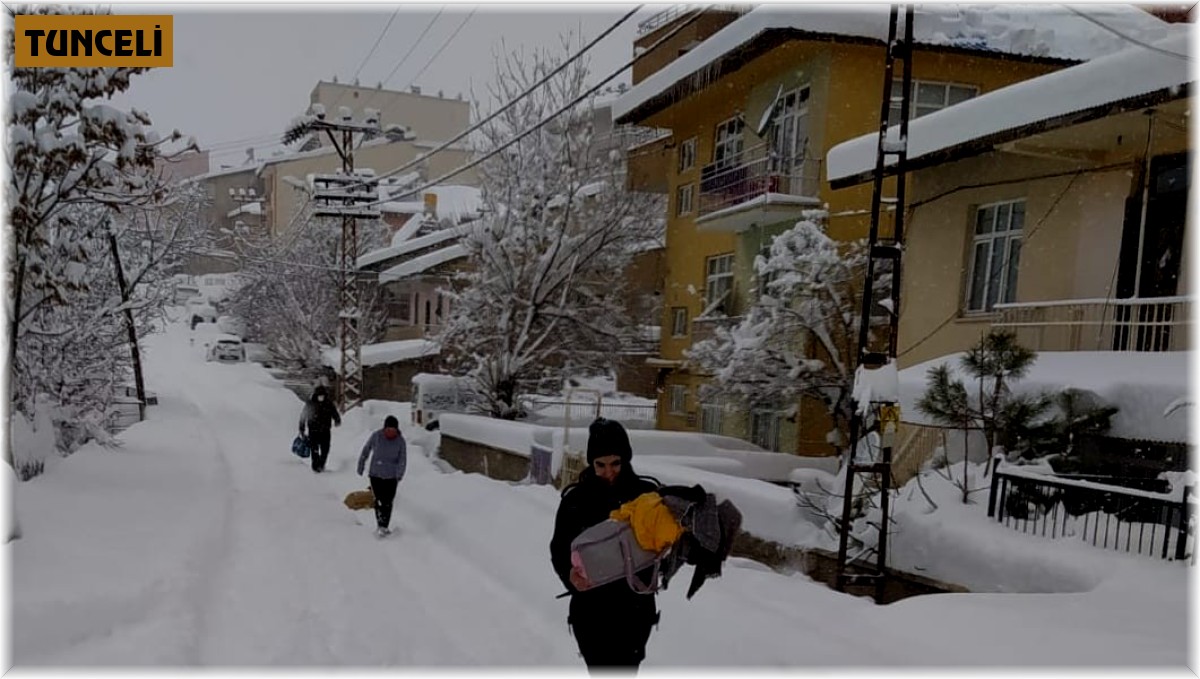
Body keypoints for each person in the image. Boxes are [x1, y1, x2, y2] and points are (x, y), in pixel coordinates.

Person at [550, 418, 660, 673]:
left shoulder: (647, 496)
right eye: (600, 465)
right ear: (591, 462)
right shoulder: (575, 500)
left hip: (634, 611)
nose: (609, 471)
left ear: (626, 459)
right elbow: (559, 549)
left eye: (615, 463)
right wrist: (570, 575)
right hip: (591, 611)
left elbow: (662, 544)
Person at [357, 415, 407, 538]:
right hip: (376, 474)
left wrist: (399, 473)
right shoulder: (377, 436)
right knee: (379, 500)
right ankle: (380, 524)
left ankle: (384, 526)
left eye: (393, 430)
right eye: (388, 429)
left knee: (388, 501)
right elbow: (366, 450)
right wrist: (361, 464)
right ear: (384, 429)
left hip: (391, 476)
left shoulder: (400, 441)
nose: (390, 432)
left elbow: (402, 459)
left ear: (397, 430)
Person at [298, 385, 341, 473]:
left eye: (323, 395)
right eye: (319, 395)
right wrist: (301, 428)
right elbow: (303, 416)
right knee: (314, 450)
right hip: (313, 431)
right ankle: (315, 466)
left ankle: (321, 464)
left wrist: (337, 420)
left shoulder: (328, 403)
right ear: (316, 395)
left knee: (325, 449)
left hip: (325, 431)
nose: (321, 397)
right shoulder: (310, 404)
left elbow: (334, 413)